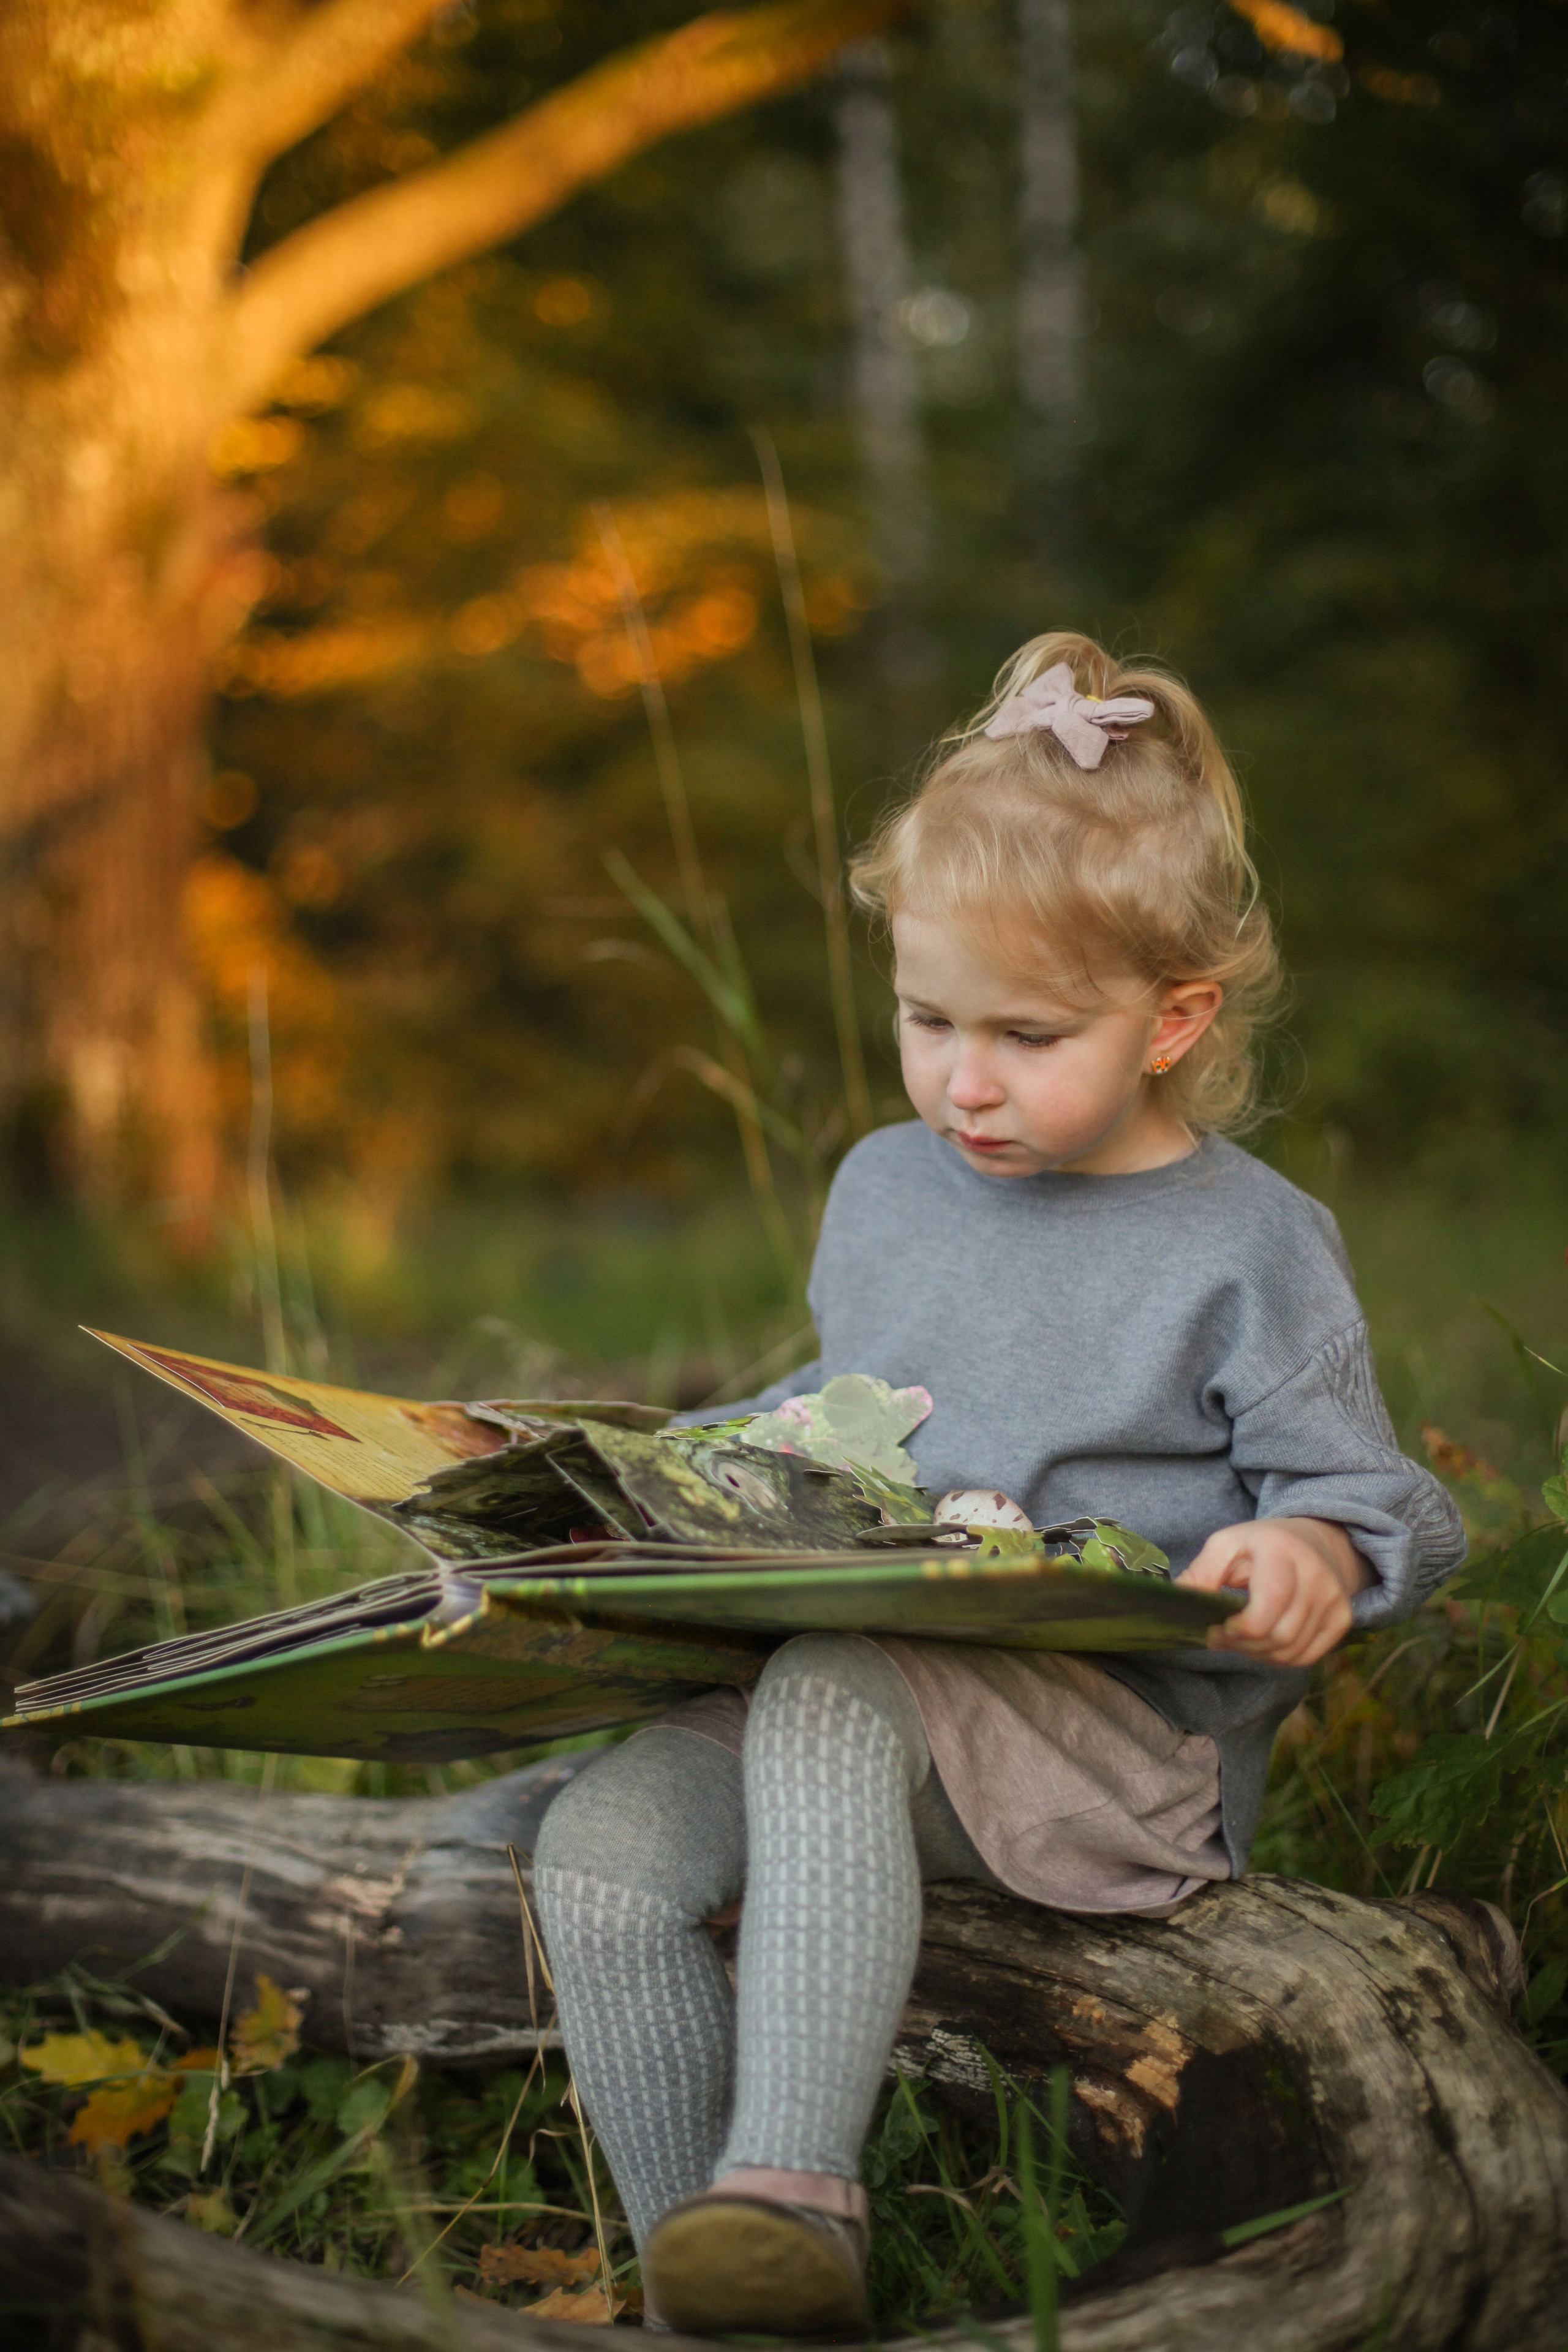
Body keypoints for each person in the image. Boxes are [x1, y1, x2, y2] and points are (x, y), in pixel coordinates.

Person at [530, 631, 1465, 2335]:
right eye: (926, 1018)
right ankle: (706, 2291)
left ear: (1175, 1018)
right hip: (873, 1703)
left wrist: (1314, 1544)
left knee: (828, 1687)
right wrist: (662, 1470)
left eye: (1028, 1036)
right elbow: (849, 1406)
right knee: (596, 1854)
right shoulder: (889, 1184)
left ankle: (799, 2197)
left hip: (1108, 1751)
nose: (965, 1080)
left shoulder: (1248, 1245)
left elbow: (1379, 1493)